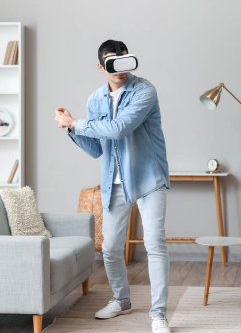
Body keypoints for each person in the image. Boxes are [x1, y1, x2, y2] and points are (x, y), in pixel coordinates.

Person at [54, 39, 171, 333]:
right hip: (113, 181)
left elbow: (119, 129)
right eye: (111, 63)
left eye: (124, 60)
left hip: (148, 178)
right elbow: (97, 149)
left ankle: (159, 314)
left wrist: (76, 122)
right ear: (101, 66)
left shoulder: (145, 90)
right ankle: (121, 300)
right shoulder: (95, 100)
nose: (119, 69)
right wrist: (70, 127)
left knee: (155, 245)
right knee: (109, 248)